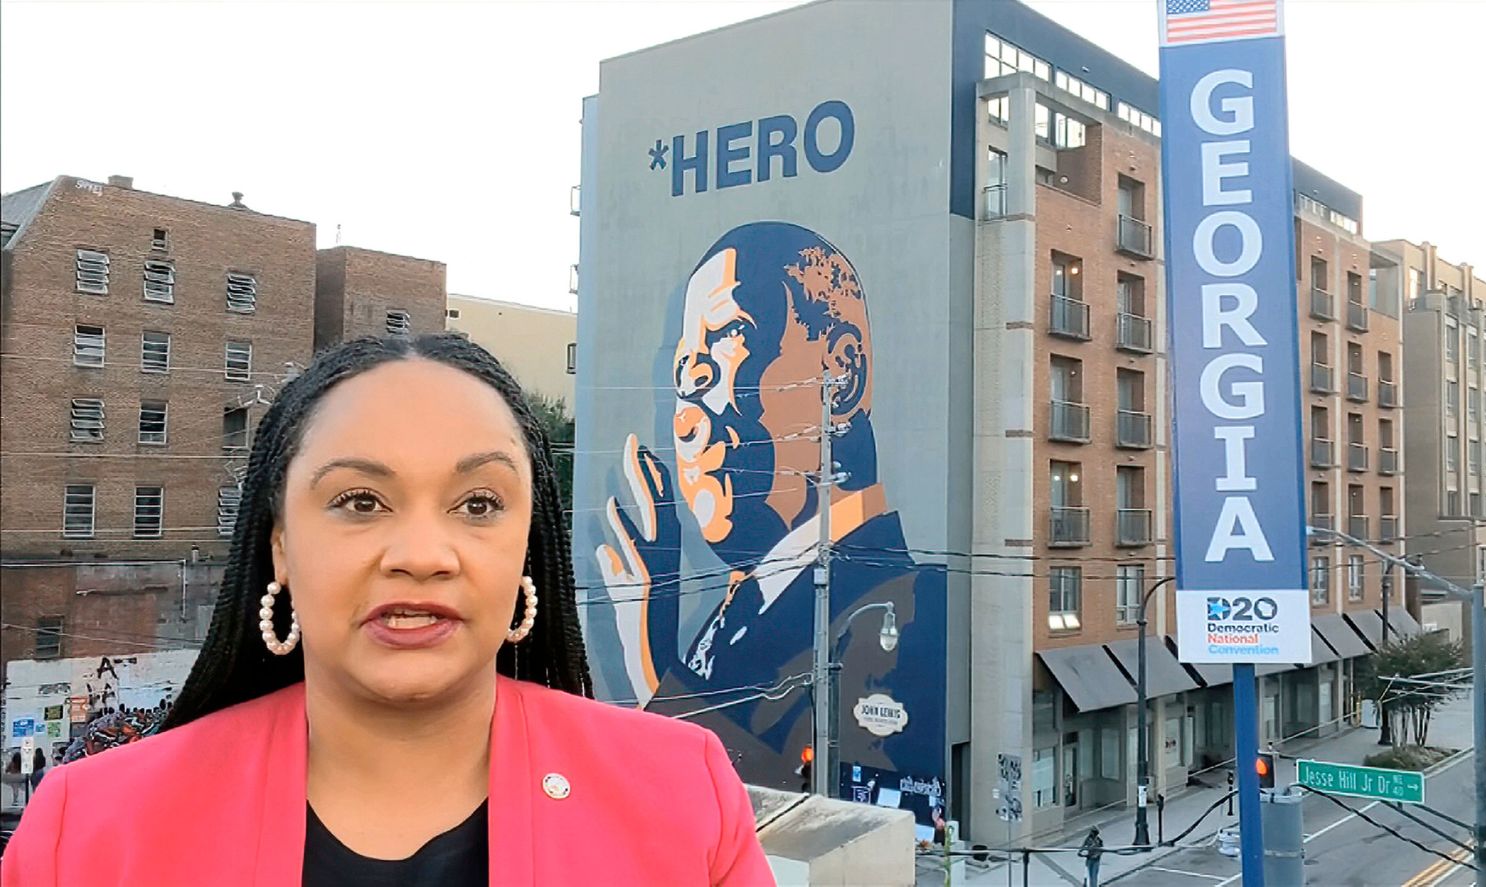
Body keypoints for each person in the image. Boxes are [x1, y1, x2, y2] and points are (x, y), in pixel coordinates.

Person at [2, 335, 770, 886]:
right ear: (279, 546)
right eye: (359, 500)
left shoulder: (684, 797)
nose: (423, 554)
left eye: (478, 502)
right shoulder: (90, 832)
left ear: (527, 544)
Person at [594, 221, 947, 801]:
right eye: (684, 369)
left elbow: (798, 813)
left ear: (843, 374)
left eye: (729, 336)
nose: (690, 397)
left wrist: (652, 665)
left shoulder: (901, 609)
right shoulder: (746, 599)